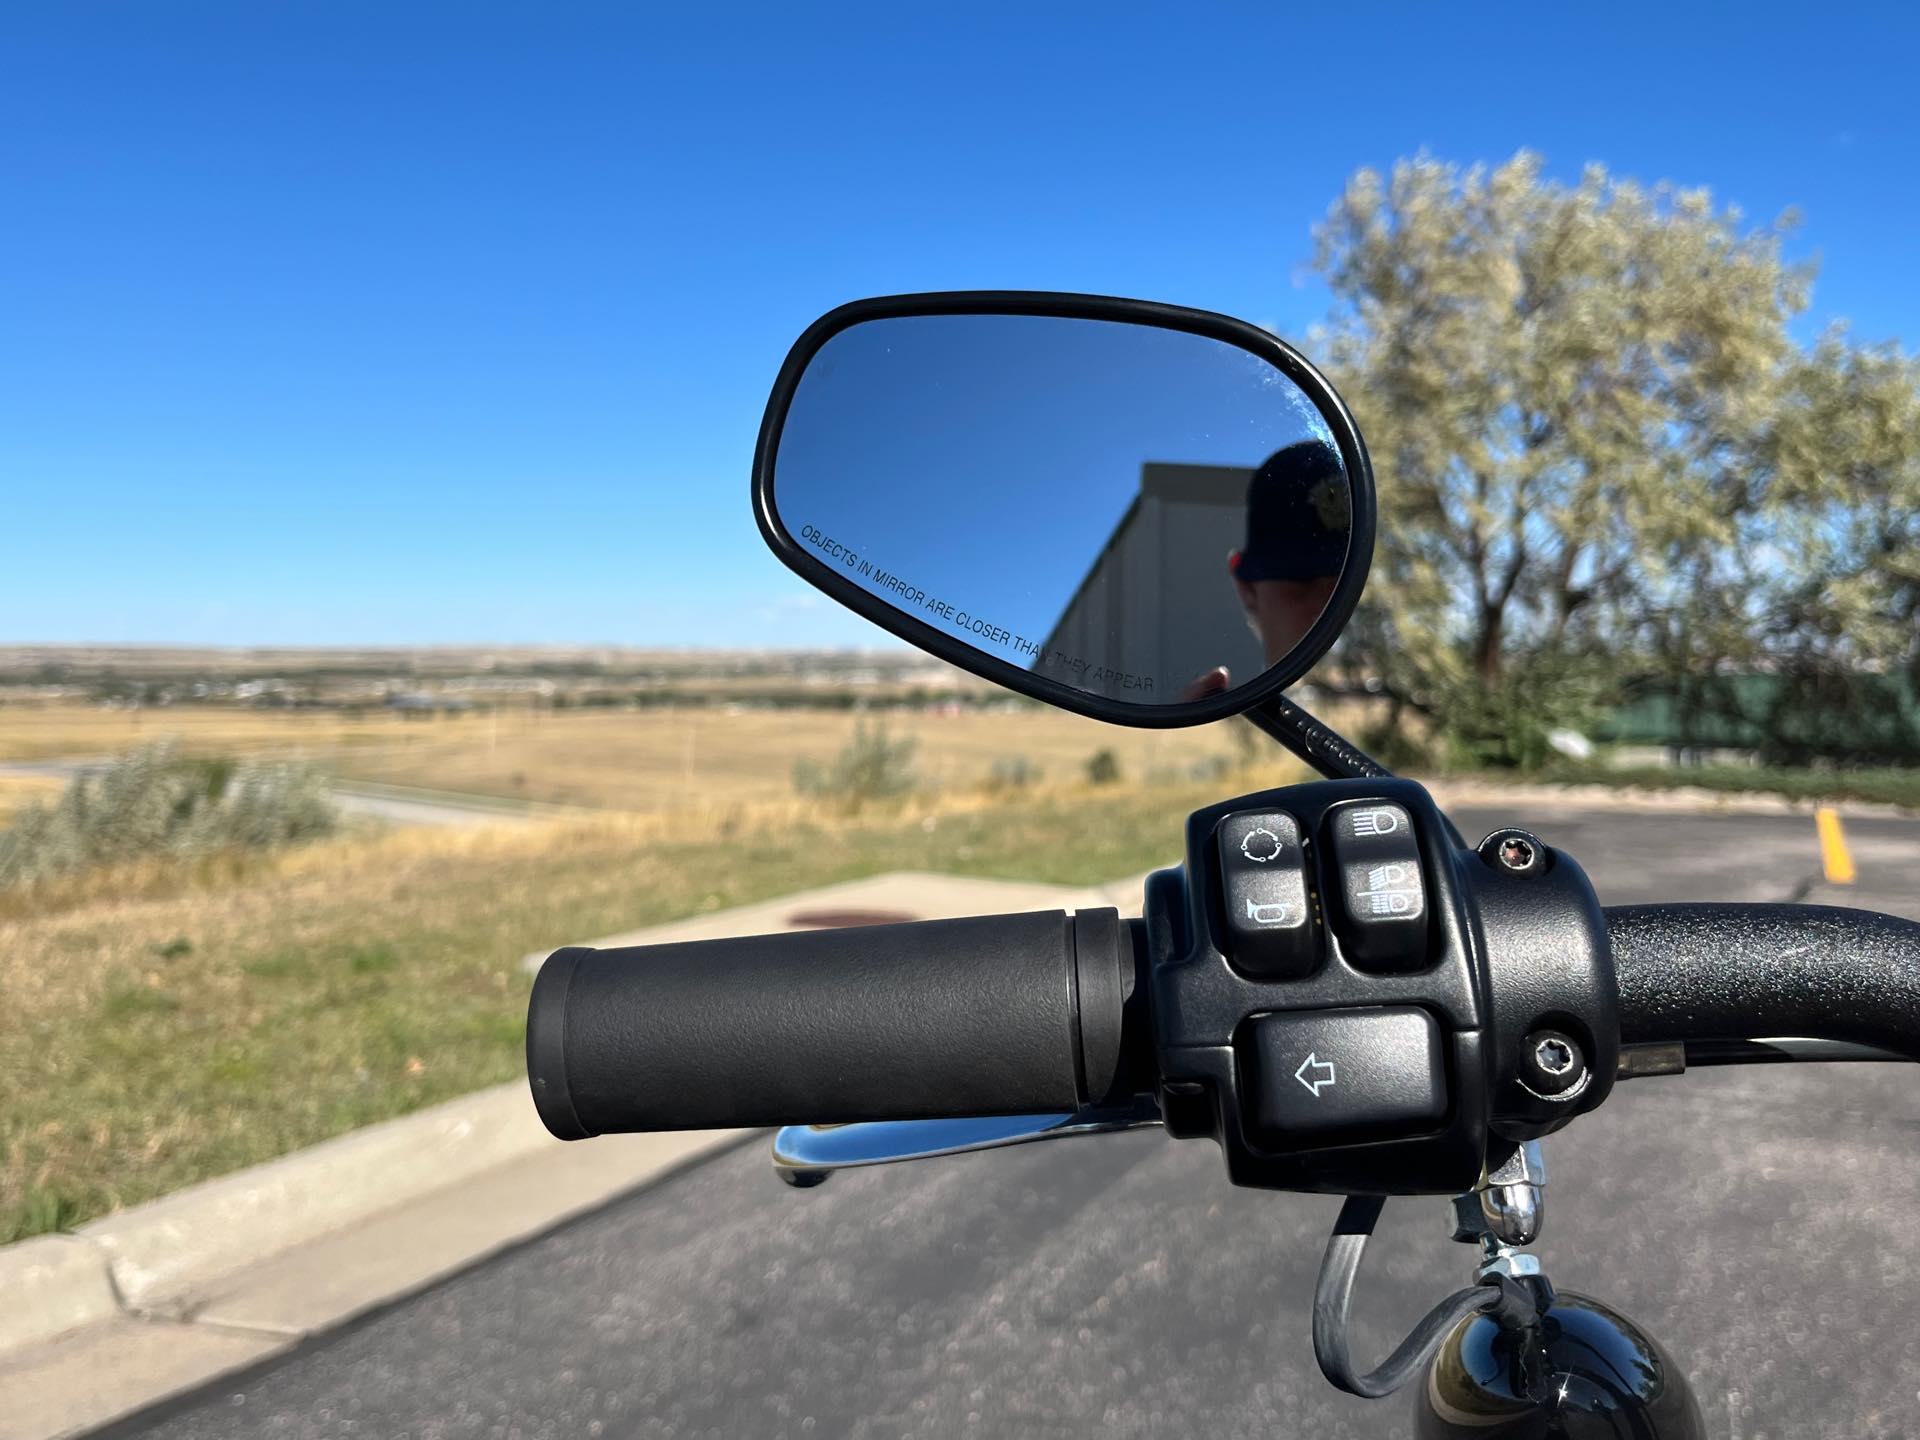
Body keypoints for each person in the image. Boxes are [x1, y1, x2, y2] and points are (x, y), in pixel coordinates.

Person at [1183, 439, 1349, 700]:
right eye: (1302, 582)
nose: (1333, 607)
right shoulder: (1216, 726)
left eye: (1350, 583)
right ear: (1247, 588)